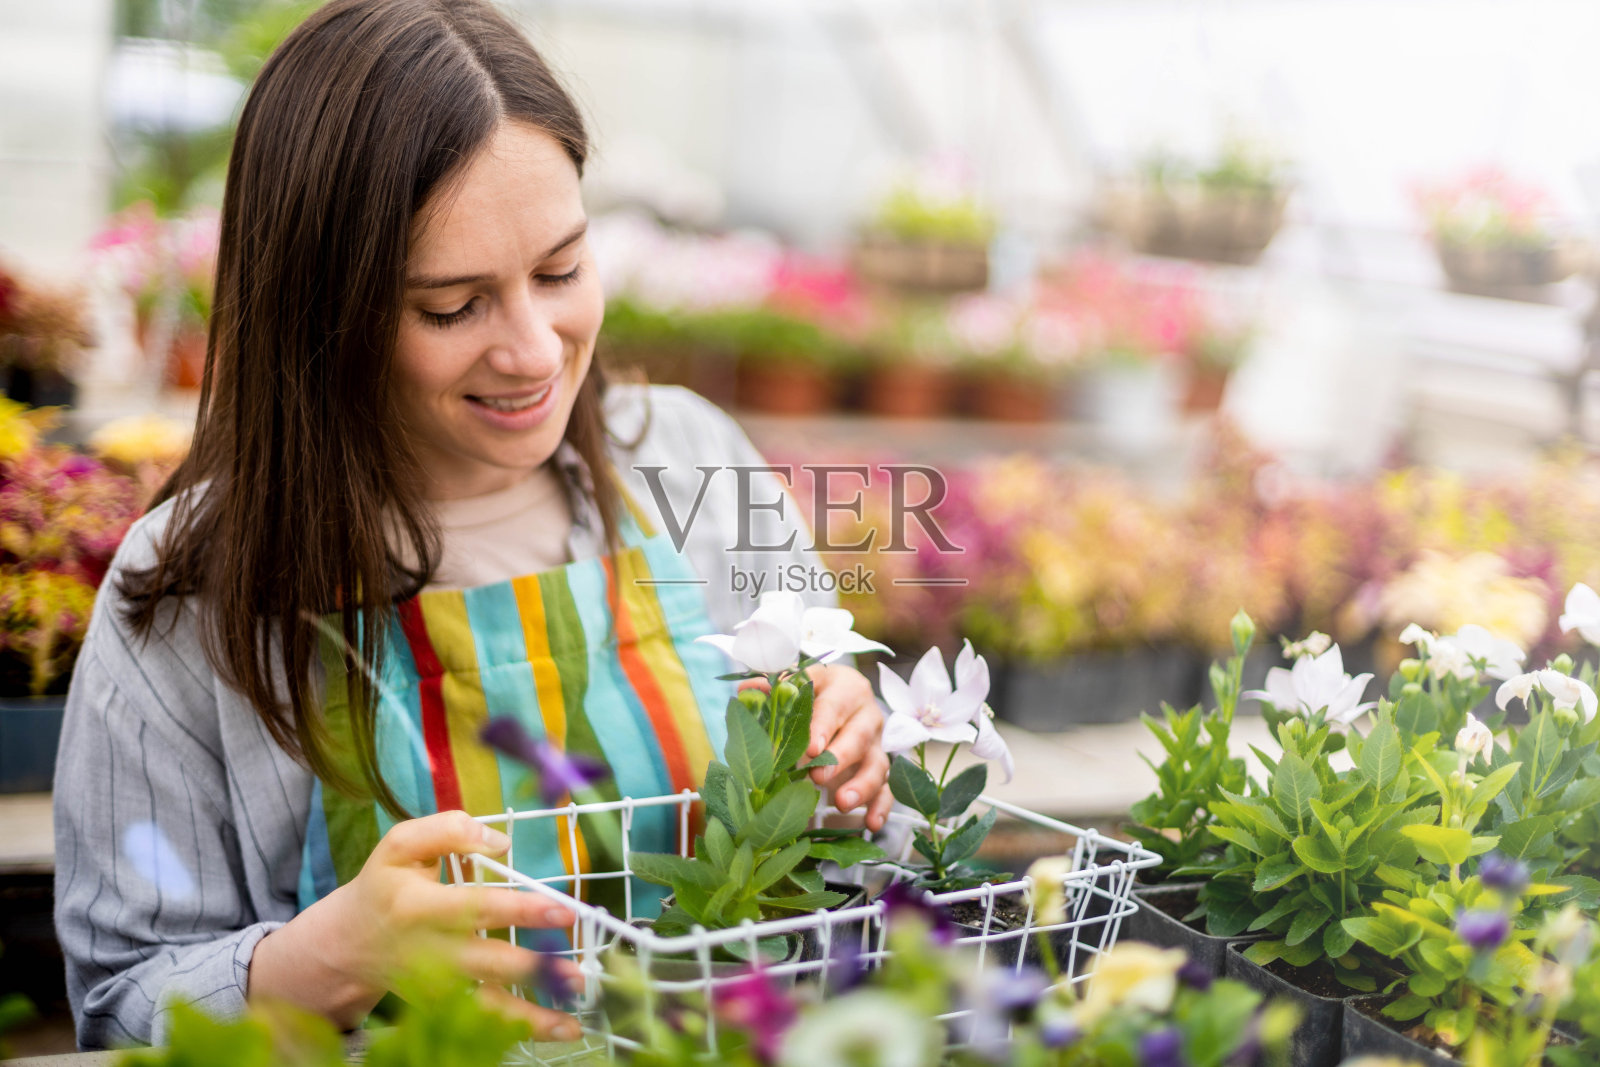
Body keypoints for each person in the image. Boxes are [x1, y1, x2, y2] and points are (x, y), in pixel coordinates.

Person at [53, 0, 892, 1050]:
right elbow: (121, 1003)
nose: (536, 350)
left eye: (560, 270)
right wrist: (322, 961)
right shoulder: (192, 593)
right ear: (322, 311)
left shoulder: (693, 458)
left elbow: (867, 864)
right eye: (453, 306)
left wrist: (855, 762)